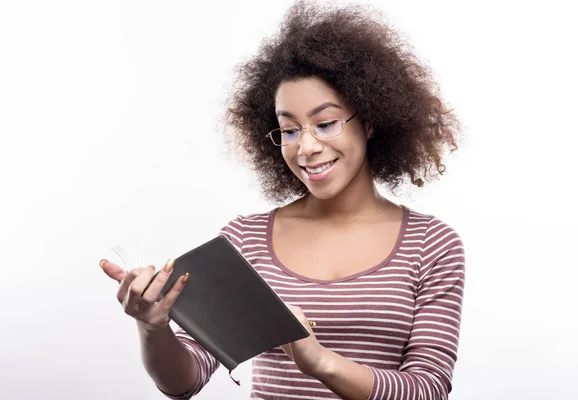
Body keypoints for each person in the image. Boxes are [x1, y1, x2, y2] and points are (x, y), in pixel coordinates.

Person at [100, 1, 465, 399]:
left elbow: (428, 389)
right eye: (289, 130)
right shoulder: (246, 238)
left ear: (371, 121)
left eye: (325, 124)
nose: (305, 147)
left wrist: (320, 361)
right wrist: (153, 328)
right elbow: (184, 381)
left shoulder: (432, 245)